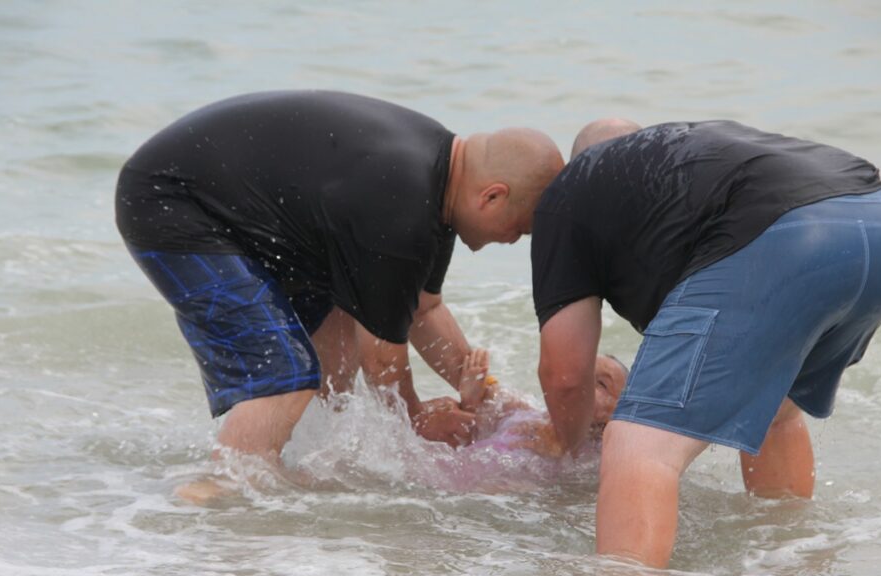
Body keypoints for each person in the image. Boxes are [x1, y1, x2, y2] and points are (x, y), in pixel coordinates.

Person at [115, 90, 564, 490]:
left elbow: (424, 311)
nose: (513, 240)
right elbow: (384, 354)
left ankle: (303, 464)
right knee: (286, 377)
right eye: (520, 229)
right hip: (171, 201)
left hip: (246, 213)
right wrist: (415, 416)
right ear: (492, 196)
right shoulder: (404, 205)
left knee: (338, 328)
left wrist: (492, 398)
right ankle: (221, 493)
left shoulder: (439, 183)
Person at [532, 118, 881, 567]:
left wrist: (569, 458)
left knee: (637, 446)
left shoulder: (574, 187)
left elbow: (565, 375)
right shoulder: (684, 165)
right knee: (776, 411)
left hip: (790, 236)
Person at [457, 348, 628, 458]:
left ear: (615, 414)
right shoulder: (527, 413)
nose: (583, 382)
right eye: (581, 373)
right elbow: (491, 405)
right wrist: (471, 400)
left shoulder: (599, 456)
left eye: (602, 384)